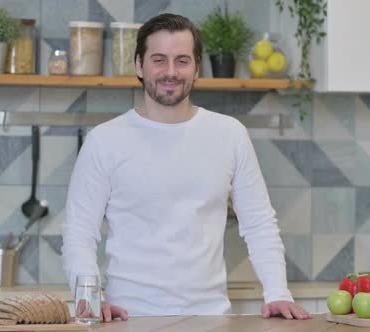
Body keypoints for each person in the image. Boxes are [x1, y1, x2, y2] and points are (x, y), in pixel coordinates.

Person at [62, 13, 311, 322]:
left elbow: (259, 223)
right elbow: (79, 232)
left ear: (196, 67)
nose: (170, 72)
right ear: (139, 65)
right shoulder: (104, 141)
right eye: (159, 60)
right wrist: (89, 297)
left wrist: (277, 293)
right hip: (128, 319)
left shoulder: (229, 134)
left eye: (182, 60)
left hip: (210, 319)